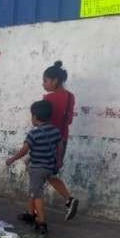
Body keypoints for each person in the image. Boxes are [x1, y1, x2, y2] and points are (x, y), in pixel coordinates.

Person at [5, 100, 63, 235]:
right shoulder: (55, 130)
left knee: (37, 194)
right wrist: (59, 160)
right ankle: (30, 213)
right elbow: (60, 146)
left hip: (37, 169)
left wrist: (12, 159)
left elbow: (24, 150)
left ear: (35, 117)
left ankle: (41, 222)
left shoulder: (34, 133)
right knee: (34, 191)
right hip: (49, 166)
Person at [42, 60, 79, 220]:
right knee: (50, 174)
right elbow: (69, 121)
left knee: (40, 174)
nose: (43, 84)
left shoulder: (48, 98)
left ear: (54, 81)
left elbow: (43, 121)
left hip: (46, 140)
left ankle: (35, 212)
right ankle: (67, 200)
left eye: (45, 81)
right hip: (62, 141)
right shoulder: (71, 97)